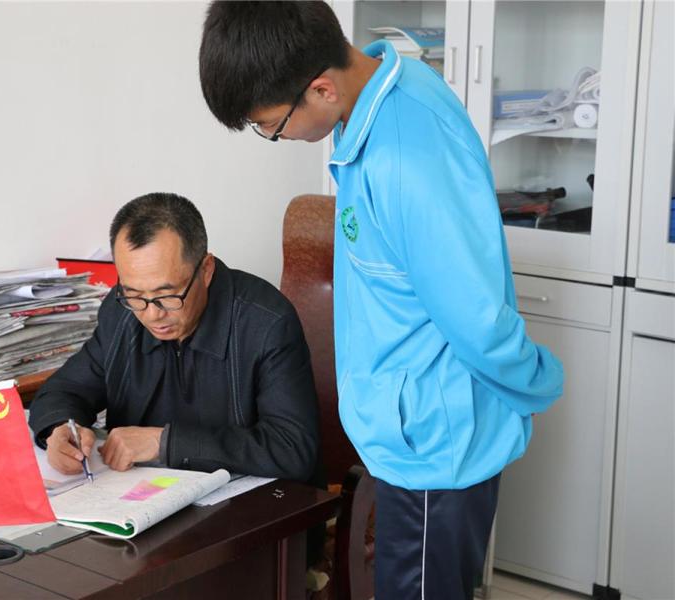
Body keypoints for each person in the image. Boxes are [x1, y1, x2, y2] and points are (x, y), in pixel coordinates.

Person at [199, 3, 564, 599]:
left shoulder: (404, 158)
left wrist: (537, 382)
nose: (276, 137)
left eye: (271, 124)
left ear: (321, 88)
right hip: (407, 434)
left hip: (433, 449)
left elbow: (475, 315)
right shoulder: (374, 98)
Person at [29, 192, 321, 489]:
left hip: (248, 504)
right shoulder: (122, 313)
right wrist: (61, 429)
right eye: (134, 294)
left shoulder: (267, 322)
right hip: (141, 498)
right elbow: (64, 390)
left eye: (167, 295)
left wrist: (165, 443)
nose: (152, 314)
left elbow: (293, 448)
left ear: (206, 270)